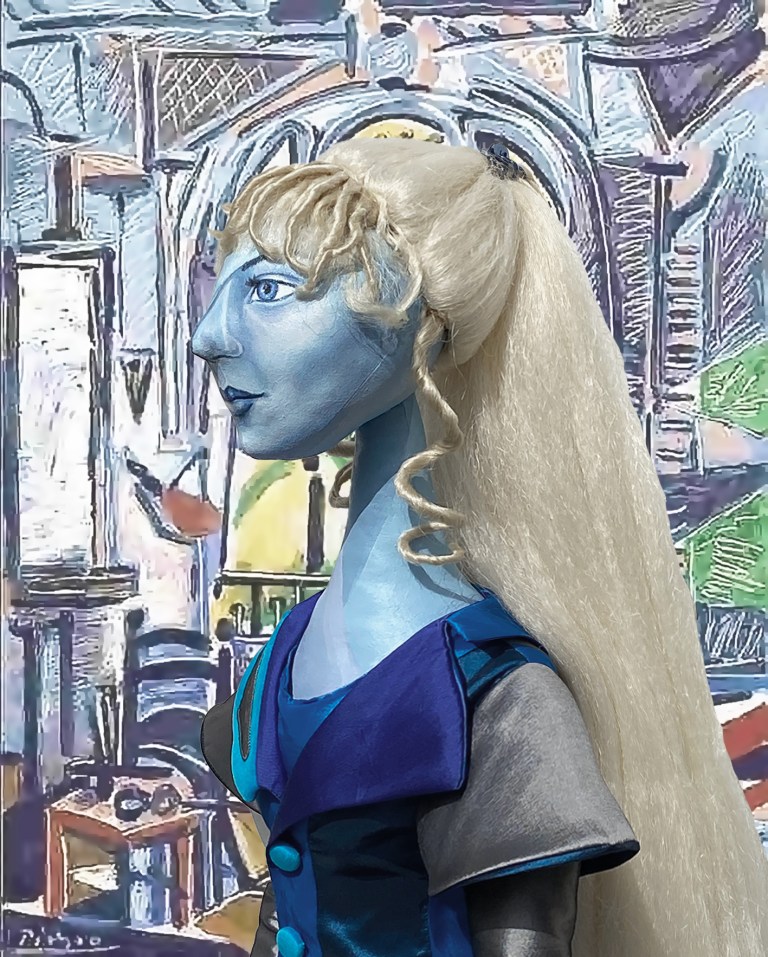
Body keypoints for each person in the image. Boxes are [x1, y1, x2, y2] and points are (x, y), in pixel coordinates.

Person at [192, 138, 768, 957]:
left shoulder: (494, 698)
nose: (208, 335)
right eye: (224, 289)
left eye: (269, 290)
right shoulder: (286, 656)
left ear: (418, 320)